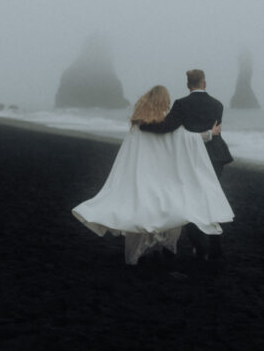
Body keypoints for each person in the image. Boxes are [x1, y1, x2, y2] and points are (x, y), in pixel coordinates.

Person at [72, 85, 234, 266]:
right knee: (171, 210)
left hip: (141, 176)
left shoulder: (138, 124)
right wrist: (210, 134)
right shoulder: (168, 122)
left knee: (143, 212)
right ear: (164, 101)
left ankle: (135, 256)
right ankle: (165, 248)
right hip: (164, 176)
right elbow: (187, 140)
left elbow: (127, 154)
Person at [140, 70, 233, 261]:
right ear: (204, 84)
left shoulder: (181, 104)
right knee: (210, 199)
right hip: (215, 156)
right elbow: (213, 131)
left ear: (188, 85)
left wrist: (143, 125)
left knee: (190, 201)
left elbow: (168, 127)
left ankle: (200, 248)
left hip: (193, 157)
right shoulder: (218, 105)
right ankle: (215, 248)